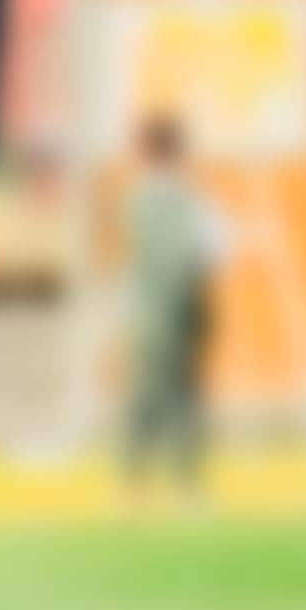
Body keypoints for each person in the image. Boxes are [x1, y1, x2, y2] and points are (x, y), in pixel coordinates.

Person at [121, 112, 231, 502]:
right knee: (172, 395)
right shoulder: (183, 199)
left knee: (158, 394)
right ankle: (174, 483)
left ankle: (145, 481)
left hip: (160, 309)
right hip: (176, 305)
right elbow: (215, 250)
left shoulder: (149, 199)